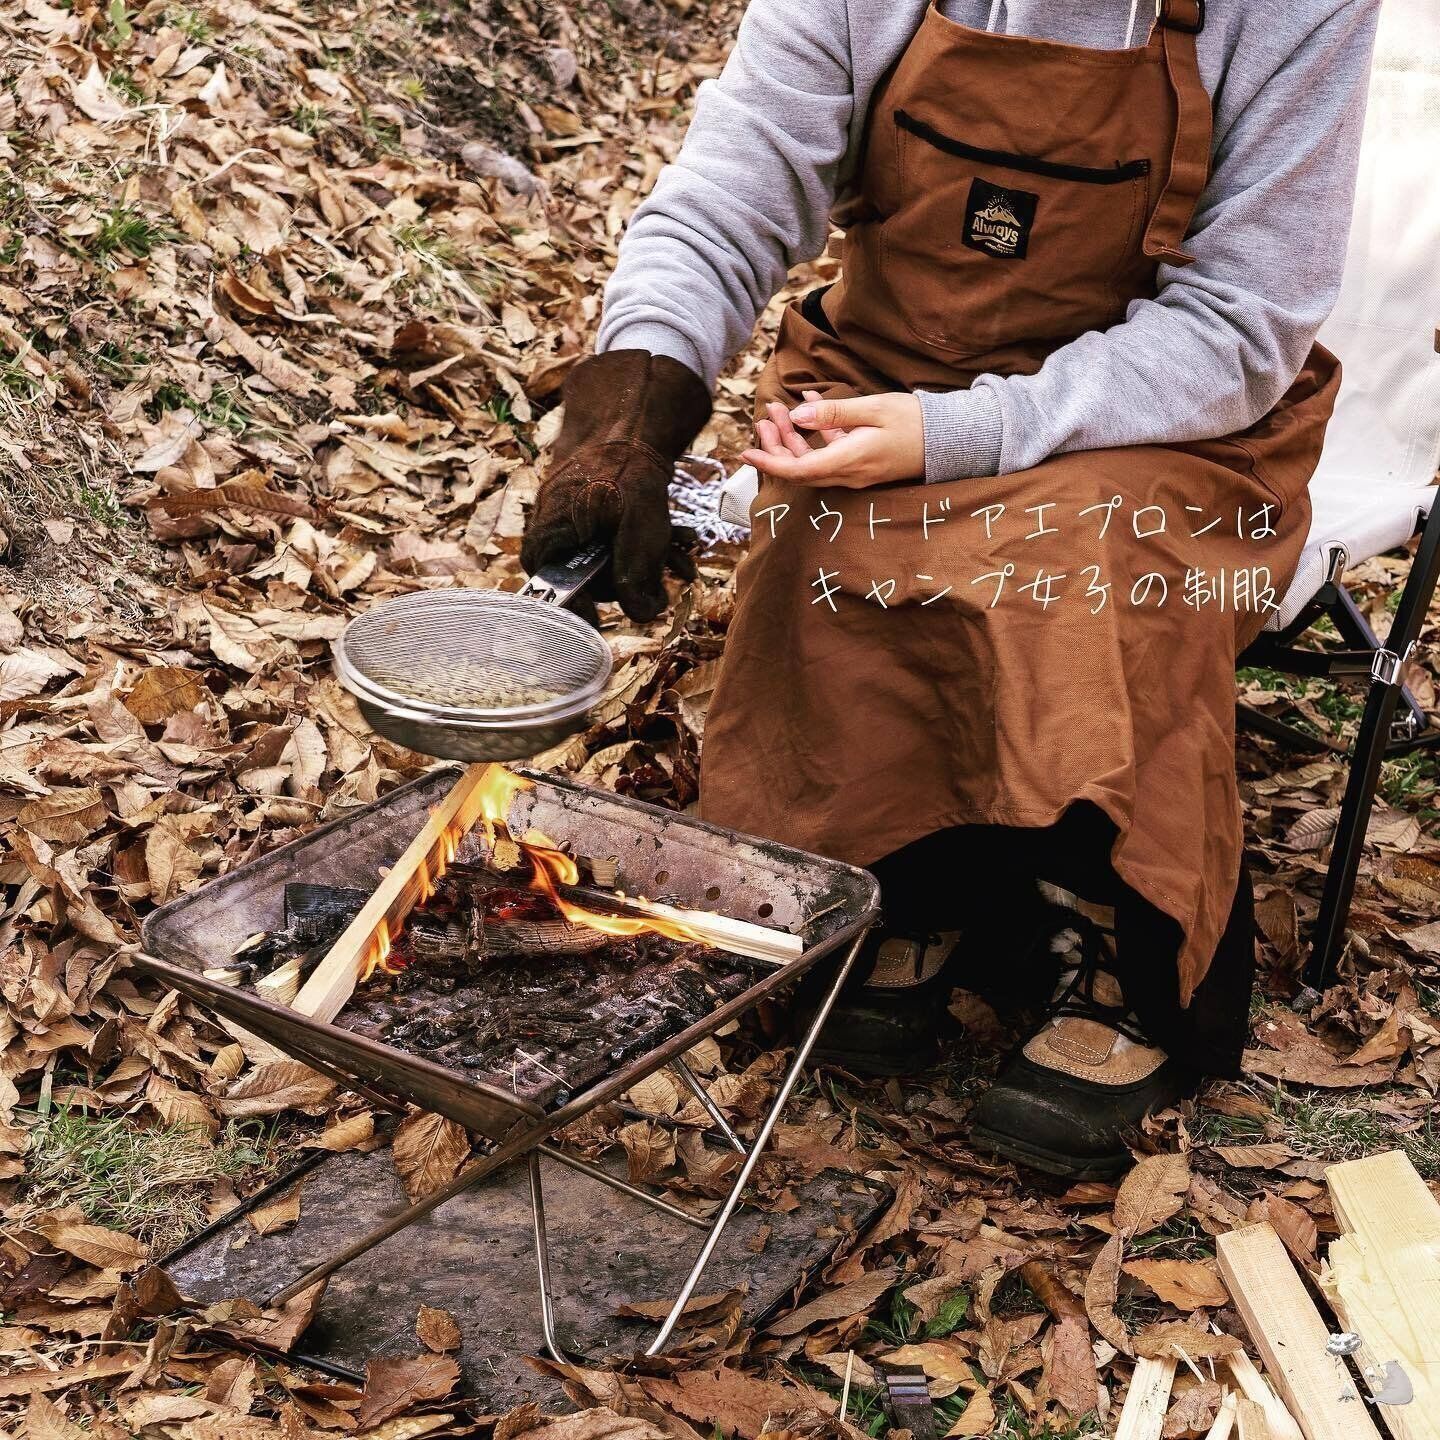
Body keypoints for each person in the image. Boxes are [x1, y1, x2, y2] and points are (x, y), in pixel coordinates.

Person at [521, 0, 1383, 1178]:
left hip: (1167, 422)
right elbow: (730, 192)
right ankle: (914, 884)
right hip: (889, 368)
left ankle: (1115, 933)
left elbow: (1242, 322)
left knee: (1084, 553)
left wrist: (956, 437)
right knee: (823, 540)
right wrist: (633, 406)